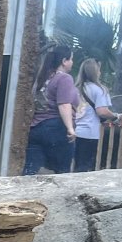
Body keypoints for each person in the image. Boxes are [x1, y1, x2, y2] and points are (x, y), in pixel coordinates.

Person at [22, 44, 79, 175]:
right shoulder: (65, 78)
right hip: (56, 128)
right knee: (61, 173)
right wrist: (70, 128)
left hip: (35, 128)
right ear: (64, 61)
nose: (72, 62)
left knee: (30, 172)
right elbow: (64, 104)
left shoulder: (42, 77)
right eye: (71, 59)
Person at [73, 58, 118, 171]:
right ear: (95, 72)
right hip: (89, 132)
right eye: (98, 70)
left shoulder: (76, 89)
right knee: (84, 166)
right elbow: (102, 111)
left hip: (74, 131)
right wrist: (115, 116)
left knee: (76, 164)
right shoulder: (99, 90)